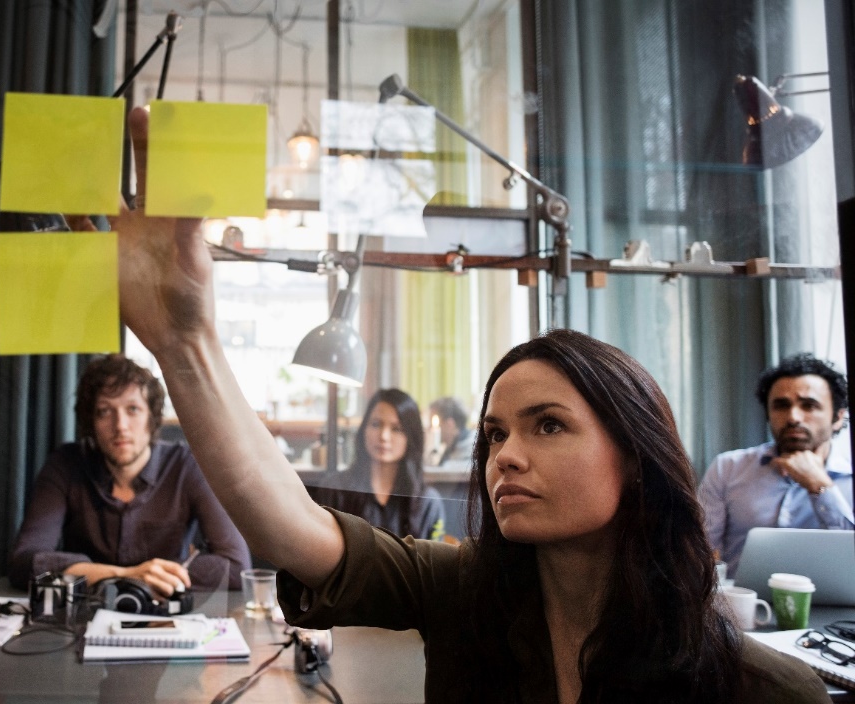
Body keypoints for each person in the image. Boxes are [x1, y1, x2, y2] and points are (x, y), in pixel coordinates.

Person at [106, 105, 829, 703]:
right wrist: (184, 343)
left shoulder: (764, 690)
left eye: (549, 425)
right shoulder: (463, 590)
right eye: (494, 434)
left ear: (638, 456)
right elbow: (294, 530)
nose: (505, 455)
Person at [7, 354, 250, 595]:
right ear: (91, 422)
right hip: (84, 618)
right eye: (104, 411)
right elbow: (24, 561)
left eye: (133, 409)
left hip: (167, 615)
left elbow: (235, 565)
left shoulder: (187, 466)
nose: (120, 425)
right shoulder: (66, 464)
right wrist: (126, 576)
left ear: (151, 418)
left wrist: (152, 576)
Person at [699, 354, 853, 576]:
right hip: (744, 605)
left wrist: (820, 487)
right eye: (781, 406)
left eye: (809, 406)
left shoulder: (849, 479)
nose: (793, 417)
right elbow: (700, 550)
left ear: (838, 417)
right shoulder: (728, 467)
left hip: (833, 607)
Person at [317, 389, 445, 540]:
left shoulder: (428, 502)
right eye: (376, 424)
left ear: (411, 437)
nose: (384, 436)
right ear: (364, 429)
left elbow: (434, 561)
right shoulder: (335, 489)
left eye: (396, 429)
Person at [427, 395, 475, 468]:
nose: (430, 428)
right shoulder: (451, 447)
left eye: (434, 424)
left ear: (450, 424)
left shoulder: (472, 450)